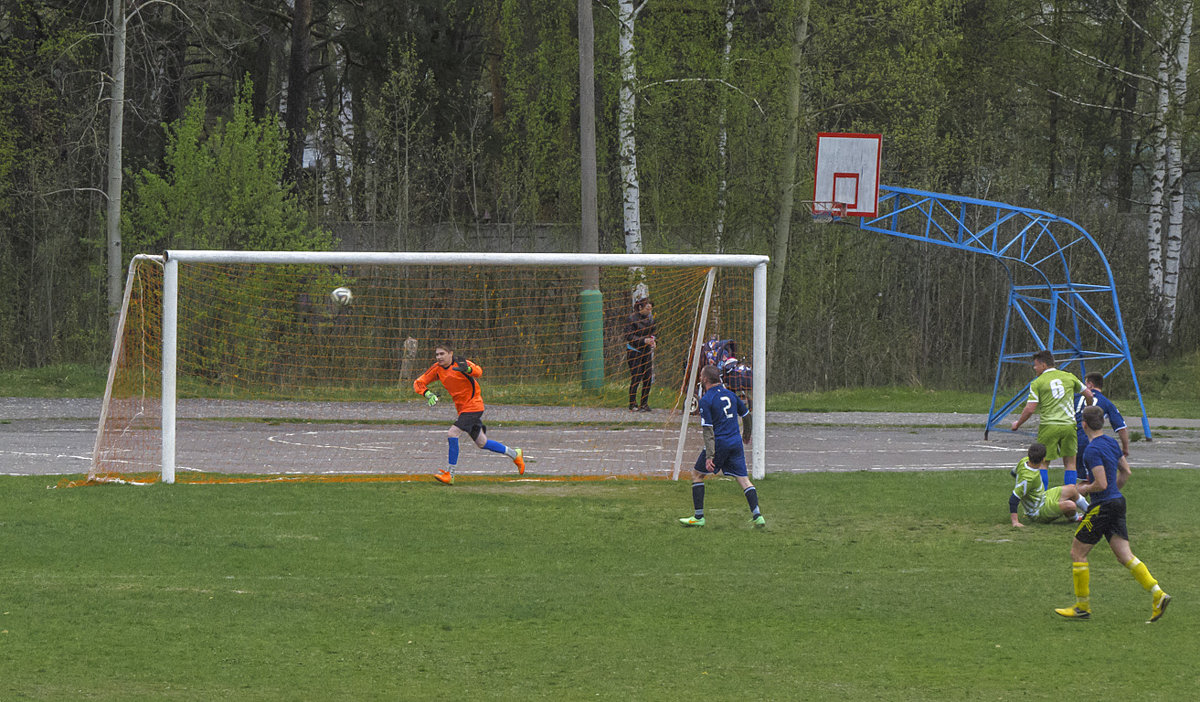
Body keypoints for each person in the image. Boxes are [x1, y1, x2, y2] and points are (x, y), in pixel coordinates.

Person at [1054, 405, 1170, 622]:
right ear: (1103, 423)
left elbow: (1100, 483)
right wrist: (1112, 494)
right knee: (1125, 555)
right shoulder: (1110, 442)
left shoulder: (1092, 450)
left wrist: (1084, 489)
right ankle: (1158, 594)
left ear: (1084, 424)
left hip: (1103, 506)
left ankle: (1082, 607)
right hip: (1116, 502)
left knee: (1077, 553)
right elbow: (1126, 472)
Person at [413, 343, 525, 485]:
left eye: (442, 354)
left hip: (474, 405)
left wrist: (468, 369)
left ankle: (450, 474)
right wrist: (428, 394)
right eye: (437, 354)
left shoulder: (460, 363)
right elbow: (418, 382)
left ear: (450, 353)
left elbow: (478, 372)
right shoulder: (437, 369)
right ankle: (515, 454)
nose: (439, 357)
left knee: (452, 433)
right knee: (482, 442)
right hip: (463, 409)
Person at [679, 365, 764, 528]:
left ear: (704, 379)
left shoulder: (706, 400)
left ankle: (698, 517)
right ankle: (757, 515)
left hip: (719, 444)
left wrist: (710, 456)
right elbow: (746, 415)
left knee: (697, 475)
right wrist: (746, 435)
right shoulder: (731, 395)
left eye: (701, 376)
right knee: (744, 480)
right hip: (735, 442)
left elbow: (708, 430)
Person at [1010, 350, 1093, 489]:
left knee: (1043, 463)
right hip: (1069, 425)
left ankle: (1042, 498)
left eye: (1035, 365)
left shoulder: (1038, 382)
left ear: (1043, 365)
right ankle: (1070, 498)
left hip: (1049, 425)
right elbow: (1088, 394)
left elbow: (1030, 409)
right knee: (1070, 464)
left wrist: (1018, 423)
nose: (1034, 368)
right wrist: (1087, 409)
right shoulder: (1069, 377)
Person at [1009, 441, 1089, 527]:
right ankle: (1076, 518)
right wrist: (1015, 522)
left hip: (1044, 497)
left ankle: (1092, 512)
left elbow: (1013, 473)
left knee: (1072, 488)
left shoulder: (1024, 461)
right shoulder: (1028, 480)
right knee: (1071, 505)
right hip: (1038, 512)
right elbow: (1013, 499)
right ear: (1044, 459)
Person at [1074, 372, 1129, 459]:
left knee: (1072, 467)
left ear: (1090, 385)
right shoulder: (1106, 403)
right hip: (1091, 441)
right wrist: (1125, 448)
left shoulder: (1076, 397)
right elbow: (1121, 428)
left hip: (1072, 438)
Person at [624, 296, 656, 412]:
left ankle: (644, 404)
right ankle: (632, 403)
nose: (649, 311)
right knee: (636, 376)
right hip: (634, 351)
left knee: (647, 377)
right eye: (647, 308)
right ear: (641, 307)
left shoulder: (651, 319)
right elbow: (629, 336)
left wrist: (652, 340)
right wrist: (643, 340)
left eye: (650, 309)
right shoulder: (632, 319)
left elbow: (654, 332)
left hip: (646, 352)